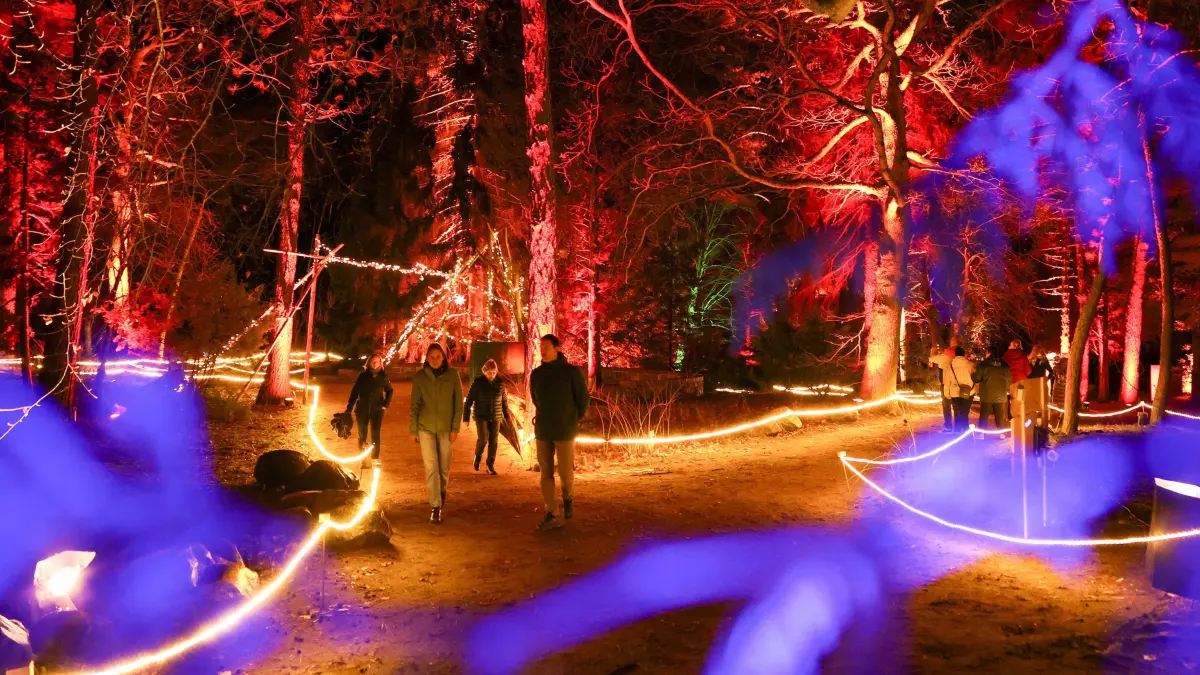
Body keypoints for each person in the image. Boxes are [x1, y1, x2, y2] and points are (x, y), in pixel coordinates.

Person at [530, 334, 590, 531]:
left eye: (546, 345)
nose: (542, 349)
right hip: (544, 429)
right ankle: (552, 512)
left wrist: (573, 418)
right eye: (541, 346)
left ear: (557, 348)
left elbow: (582, 399)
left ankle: (568, 498)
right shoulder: (537, 374)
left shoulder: (570, 373)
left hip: (565, 429)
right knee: (546, 473)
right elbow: (535, 399)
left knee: (565, 472)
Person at [410, 343, 463, 525]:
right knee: (431, 467)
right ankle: (435, 507)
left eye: (438, 356)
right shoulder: (420, 377)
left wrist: (455, 428)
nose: (434, 360)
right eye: (431, 356)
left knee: (444, 467)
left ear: (443, 358)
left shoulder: (452, 375)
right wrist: (413, 429)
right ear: (426, 358)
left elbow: (458, 404)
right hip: (425, 428)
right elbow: (414, 405)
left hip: (446, 429)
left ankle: (441, 491)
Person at [345, 354, 393, 471]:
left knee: (375, 434)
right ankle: (364, 460)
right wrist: (349, 408)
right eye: (372, 362)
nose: (375, 364)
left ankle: (375, 458)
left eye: (377, 362)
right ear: (368, 363)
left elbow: (389, 390)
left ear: (380, 363)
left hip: (377, 410)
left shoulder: (383, 376)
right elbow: (355, 392)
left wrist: (385, 404)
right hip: (362, 409)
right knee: (362, 435)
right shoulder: (362, 376)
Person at [464, 359, 507, 475]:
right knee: (483, 439)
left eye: (494, 372)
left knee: (494, 441)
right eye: (489, 372)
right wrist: (466, 417)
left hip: (496, 416)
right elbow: (469, 400)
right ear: (484, 371)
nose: (491, 375)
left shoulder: (500, 383)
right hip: (481, 415)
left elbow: (504, 402)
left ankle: (490, 464)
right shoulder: (478, 383)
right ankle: (477, 457)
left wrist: (506, 416)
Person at [974, 347, 1013, 431]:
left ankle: (981, 432)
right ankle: (1001, 432)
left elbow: (976, 378)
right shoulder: (1005, 366)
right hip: (1001, 394)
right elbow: (1010, 379)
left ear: (988, 353)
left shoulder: (983, 365)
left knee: (984, 414)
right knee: (999, 414)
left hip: (987, 394)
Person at [947, 347, 977, 432]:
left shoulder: (950, 366)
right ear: (964, 354)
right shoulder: (970, 365)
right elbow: (975, 377)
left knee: (957, 411)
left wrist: (947, 393)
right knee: (965, 411)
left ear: (955, 354)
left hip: (954, 392)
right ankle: (965, 428)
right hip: (968, 391)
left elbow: (947, 381)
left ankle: (957, 429)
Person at [929, 344, 954, 433]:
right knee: (957, 406)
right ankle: (960, 427)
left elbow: (932, 358)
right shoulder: (961, 356)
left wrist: (934, 348)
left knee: (946, 405)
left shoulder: (945, 357)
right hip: (958, 385)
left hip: (946, 384)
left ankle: (948, 426)